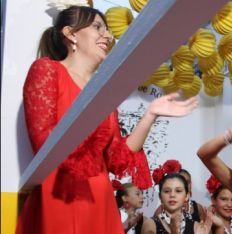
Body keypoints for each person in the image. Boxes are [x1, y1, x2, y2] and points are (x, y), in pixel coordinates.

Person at [16, 6, 198, 234]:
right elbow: (43, 141)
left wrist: (150, 114)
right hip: (60, 194)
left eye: (108, 30)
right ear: (71, 34)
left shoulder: (103, 94)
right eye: (97, 27)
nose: (108, 36)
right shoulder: (47, 70)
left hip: (99, 201)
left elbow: (117, 161)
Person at [142, 165, 213, 234]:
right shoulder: (150, 224)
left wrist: (220, 227)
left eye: (178, 191)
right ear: (160, 196)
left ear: (187, 196)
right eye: (167, 191)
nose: (172, 195)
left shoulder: (196, 226)